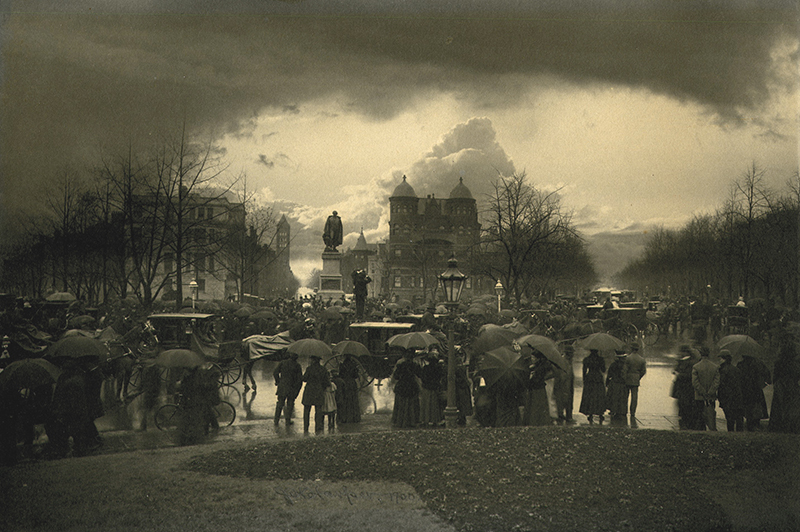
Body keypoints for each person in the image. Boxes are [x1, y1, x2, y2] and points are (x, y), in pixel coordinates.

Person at [768, 339, 800, 434]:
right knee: (791, 407)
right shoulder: (796, 363)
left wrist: (776, 383)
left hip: (781, 386)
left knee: (779, 407)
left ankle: (778, 426)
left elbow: (776, 375)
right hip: (792, 386)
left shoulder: (779, 361)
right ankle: (792, 427)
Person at [737, 353, 772, 431]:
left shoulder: (740, 365)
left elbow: (738, 378)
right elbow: (767, 375)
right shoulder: (759, 364)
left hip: (745, 390)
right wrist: (764, 383)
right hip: (756, 389)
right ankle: (756, 424)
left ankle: (749, 424)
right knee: (756, 407)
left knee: (747, 407)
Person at [672, 345, 702, 430]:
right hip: (682, 388)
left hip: (686, 388)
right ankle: (684, 421)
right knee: (682, 405)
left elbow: (689, 375)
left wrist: (679, 374)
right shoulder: (682, 361)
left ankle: (686, 423)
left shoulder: (691, 362)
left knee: (685, 405)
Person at [522, 350, 554, 426]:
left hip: (537, 389)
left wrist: (532, 375)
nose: (532, 359)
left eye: (533, 357)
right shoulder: (536, 366)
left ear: (538, 358)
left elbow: (536, 379)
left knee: (536, 407)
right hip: (535, 389)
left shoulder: (540, 368)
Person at [391, 352, 422, 428]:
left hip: (402, 386)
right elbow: (420, 374)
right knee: (412, 404)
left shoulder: (400, 365)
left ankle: (401, 421)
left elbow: (396, 377)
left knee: (401, 404)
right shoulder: (415, 365)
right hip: (412, 386)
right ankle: (412, 421)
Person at [301, 354, 331, 433]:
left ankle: (306, 427)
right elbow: (327, 383)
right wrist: (322, 387)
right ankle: (318, 427)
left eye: (311, 359)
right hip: (319, 391)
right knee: (318, 410)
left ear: (313, 360)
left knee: (307, 410)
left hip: (309, 391)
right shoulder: (323, 369)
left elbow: (304, 379)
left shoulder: (309, 369)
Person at [692, 347, 719, 431]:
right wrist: (710, 392)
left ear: (700, 354)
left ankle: (701, 430)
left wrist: (703, 392)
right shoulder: (715, 367)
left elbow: (695, 382)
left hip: (699, 396)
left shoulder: (696, 367)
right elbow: (716, 382)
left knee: (699, 415)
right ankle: (712, 428)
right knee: (710, 413)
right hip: (711, 396)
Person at [717, 350, 744, 432]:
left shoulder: (722, 370)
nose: (719, 360)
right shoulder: (736, 369)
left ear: (724, 359)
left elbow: (721, 384)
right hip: (737, 396)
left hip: (727, 397)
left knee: (729, 418)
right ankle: (740, 432)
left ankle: (731, 433)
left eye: (720, 358)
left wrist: (720, 396)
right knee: (738, 417)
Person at [273, 352, 303, 426]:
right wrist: (296, 389)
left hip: (282, 386)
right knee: (290, 404)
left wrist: (278, 381)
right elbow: (299, 380)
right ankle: (288, 420)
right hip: (292, 387)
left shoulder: (283, 363)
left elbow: (275, 372)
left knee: (280, 403)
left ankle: (276, 420)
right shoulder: (297, 366)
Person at [579, 349, 606, 423]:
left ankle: (590, 413)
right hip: (598, 378)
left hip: (590, 377)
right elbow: (603, 370)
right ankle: (600, 413)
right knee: (599, 395)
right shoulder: (600, 359)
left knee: (590, 395)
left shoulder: (587, 359)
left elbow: (584, 371)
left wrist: (584, 380)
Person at [624, 343, 647, 424]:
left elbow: (625, 370)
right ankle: (632, 412)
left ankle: (625, 410)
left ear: (631, 348)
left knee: (626, 395)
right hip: (636, 378)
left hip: (628, 378)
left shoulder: (628, 358)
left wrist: (625, 377)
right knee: (634, 397)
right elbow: (643, 371)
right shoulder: (641, 359)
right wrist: (638, 376)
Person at [419, 353, 445, 426]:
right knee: (434, 405)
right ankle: (434, 420)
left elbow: (422, 377)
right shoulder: (438, 369)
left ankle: (425, 420)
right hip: (434, 388)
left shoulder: (426, 368)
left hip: (427, 388)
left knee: (426, 404)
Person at [553, 345, 575, 424]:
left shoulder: (568, 361)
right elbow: (562, 374)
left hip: (568, 383)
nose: (572, 356)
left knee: (568, 400)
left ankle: (567, 416)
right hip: (563, 384)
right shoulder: (563, 361)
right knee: (562, 400)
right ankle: (561, 416)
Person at [337, 353, 362, 423]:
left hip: (345, 383)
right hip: (352, 384)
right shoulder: (354, 365)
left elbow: (340, 375)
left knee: (345, 400)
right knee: (353, 400)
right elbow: (356, 376)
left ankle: (345, 418)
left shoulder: (342, 365)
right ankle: (354, 418)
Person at [605, 351, 628, 424]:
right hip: (622, 383)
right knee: (622, 398)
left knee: (613, 397)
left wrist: (607, 382)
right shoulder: (625, 366)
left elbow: (609, 374)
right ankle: (621, 411)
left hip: (614, 382)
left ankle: (613, 410)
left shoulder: (613, 364)